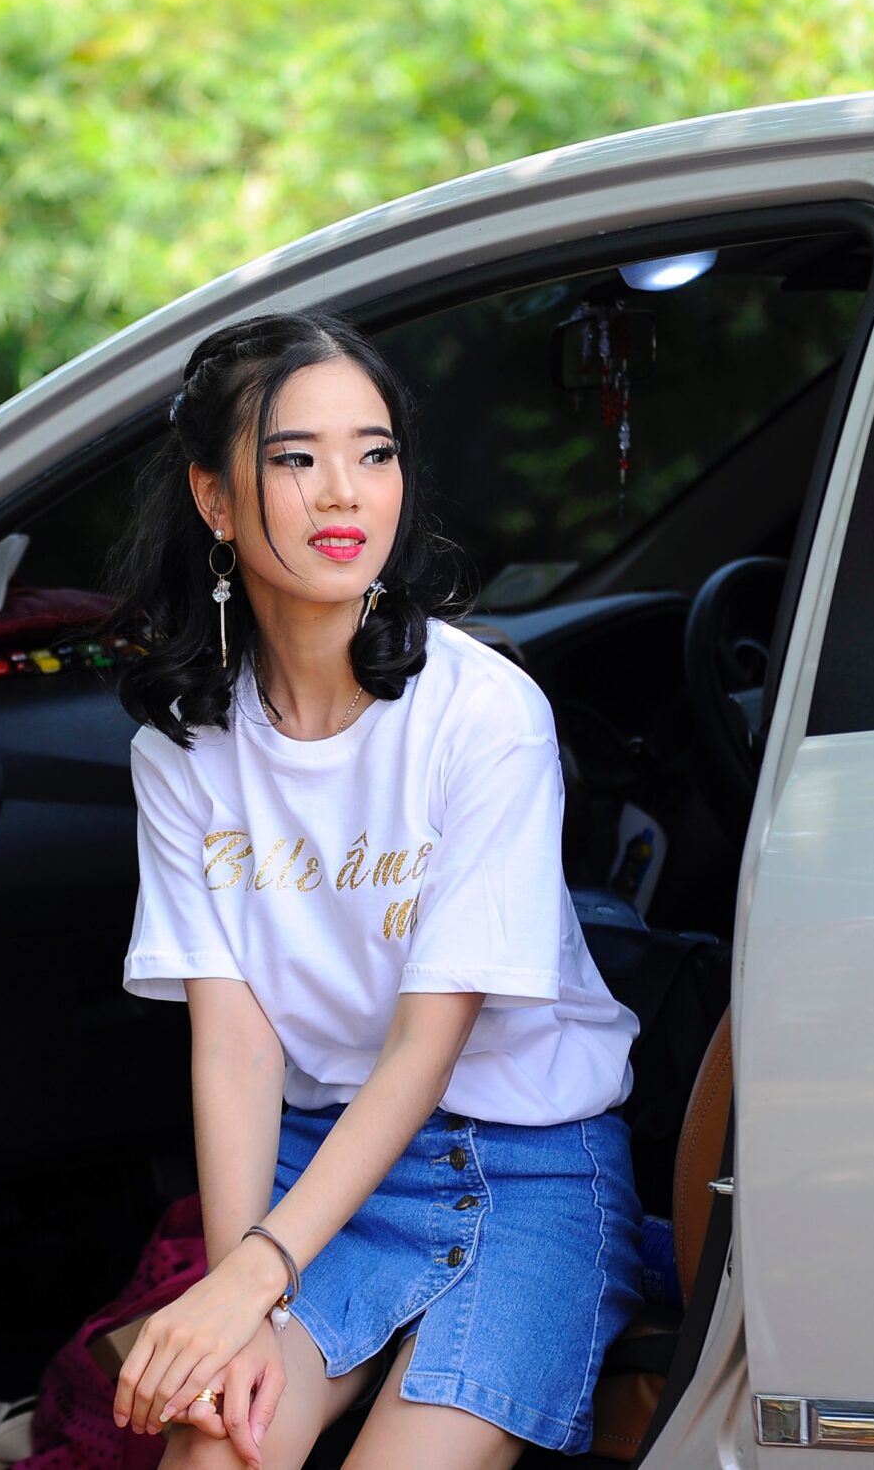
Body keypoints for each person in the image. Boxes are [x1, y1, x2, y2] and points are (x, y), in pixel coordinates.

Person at [100, 309, 645, 1469]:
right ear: (214, 498)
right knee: (216, 1452)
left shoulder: (483, 713)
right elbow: (236, 1047)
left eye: (375, 451)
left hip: (527, 1166)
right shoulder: (183, 752)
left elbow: (425, 1048)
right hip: (316, 1163)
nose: (345, 493)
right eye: (295, 458)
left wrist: (256, 1272)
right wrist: (231, 1282)